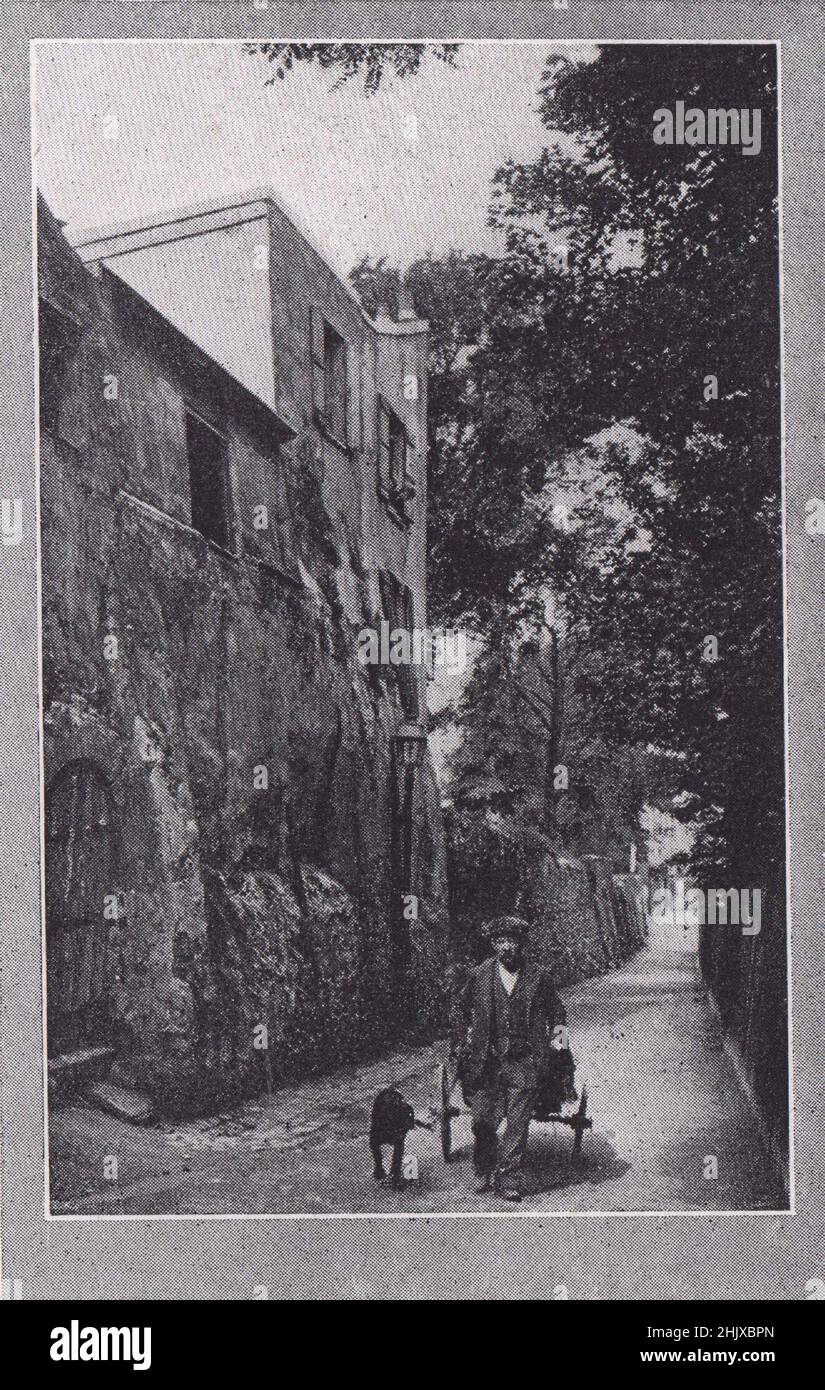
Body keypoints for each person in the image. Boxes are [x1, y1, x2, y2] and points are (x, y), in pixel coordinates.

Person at [454, 915, 567, 1202]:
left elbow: (558, 1012)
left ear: (521, 944)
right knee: (482, 1121)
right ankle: (483, 1166)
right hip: (486, 1061)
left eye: (512, 941)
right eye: (500, 942)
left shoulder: (538, 977)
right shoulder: (479, 975)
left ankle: (509, 1179)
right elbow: (459, 1009)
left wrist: (558, 1042)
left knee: (517, 1123)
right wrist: (462, 1038)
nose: (506, 948)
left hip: (525, 1061)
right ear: (493, 945)